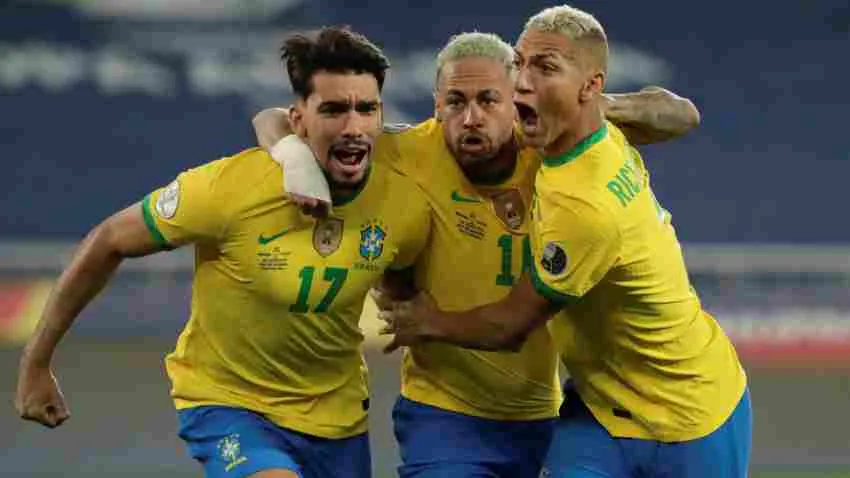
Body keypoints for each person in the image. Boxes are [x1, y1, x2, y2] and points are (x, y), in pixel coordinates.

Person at [253, 29, 701, 478]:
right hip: (443, 416)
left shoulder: (549, 141)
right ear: (436, 105)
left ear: (518, 100)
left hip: (542, 415)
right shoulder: (404, 151)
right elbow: (273, 119)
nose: (470, 118)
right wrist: (294, 158)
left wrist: (594, 106)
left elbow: (680, 115)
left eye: (489, 100)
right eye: (455, 101)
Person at [15, 26, 431, 478]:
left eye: (366, 109)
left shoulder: (404, 190)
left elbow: (403, 263)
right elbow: (109, 240)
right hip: (231, 405)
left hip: (337, 416)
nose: (353, 126)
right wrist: (35, 362)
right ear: (298, 120)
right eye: (332, 110)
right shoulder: (229, 189)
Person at [379, 6, 750, 478]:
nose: (523, 83)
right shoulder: (578, 133)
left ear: (588, 86)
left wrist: (428, 321)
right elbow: (680, 112)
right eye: (521, 64)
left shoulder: (581, 205)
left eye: (545, 68)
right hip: (597, 409)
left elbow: (510, 325)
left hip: (690, 412)